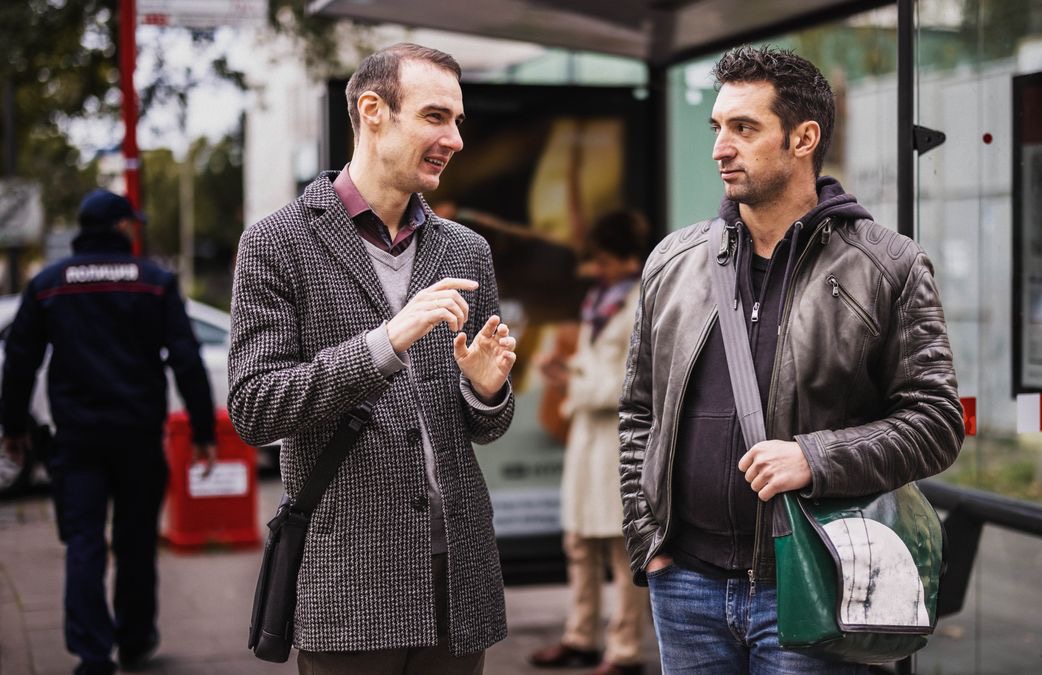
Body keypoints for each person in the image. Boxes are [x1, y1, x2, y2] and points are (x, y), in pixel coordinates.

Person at [618, 45, 964, 673]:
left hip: (812, 581)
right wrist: (649, 540)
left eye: (744, 128)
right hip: (685, 586)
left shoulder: (888, 266)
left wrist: (815, 457)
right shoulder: (673, 263)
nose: (721, 146)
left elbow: (936, 424)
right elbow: (640, 415)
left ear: (803, 138)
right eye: (718, 127)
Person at [227, 43, 517, 674]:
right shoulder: (277, 243)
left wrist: (486, 393)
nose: (456, 138)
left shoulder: (467, 251)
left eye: (458, 122)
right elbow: (254, 408)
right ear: (373, 110)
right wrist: (384, 343)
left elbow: (485, 428)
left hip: (456, 577)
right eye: (437, 117)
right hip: (349, 579)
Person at [1, 189, 217, 675]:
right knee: (136, 540)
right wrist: (203, 430)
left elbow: (20, 362)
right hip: (138, 436)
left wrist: (13, 427)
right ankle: (135, 639)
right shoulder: (154, 282)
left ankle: (92, 654)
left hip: (76, 439)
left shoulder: (49, 284)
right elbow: (186, 360)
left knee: (84, 542)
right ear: (121, 228)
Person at [529, 211, 650, 675]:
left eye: (602, 260)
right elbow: (589, 364)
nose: (595, 270)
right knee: (579, 543)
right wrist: (566, 373)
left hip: (620, 438)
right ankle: (580, 637)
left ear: (625, 258)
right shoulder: (598, 300)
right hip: (586, 438)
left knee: (622, 552)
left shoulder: (641, 302)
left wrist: (571, 380)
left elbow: (631, 381)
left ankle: (624, 651)